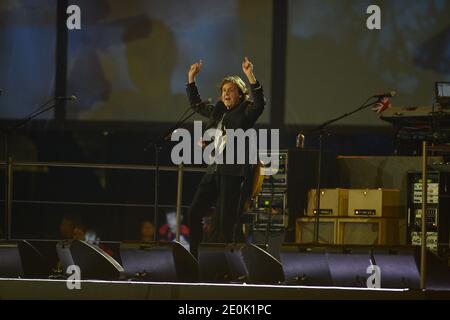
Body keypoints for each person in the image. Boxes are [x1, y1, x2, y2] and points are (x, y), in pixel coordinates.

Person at [186, 57, 266, 257]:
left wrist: (250, 75)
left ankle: (223, 264)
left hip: (233, 172)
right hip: (214, 170)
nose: (226, 94)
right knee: (194, 212)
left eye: (231, 90)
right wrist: (191, 79)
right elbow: (197, 105)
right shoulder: (218, 111)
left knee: (225, 223)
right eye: (224, 91)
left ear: (240, 94)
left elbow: (260, 104)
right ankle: (195, 257)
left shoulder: (245, 111)